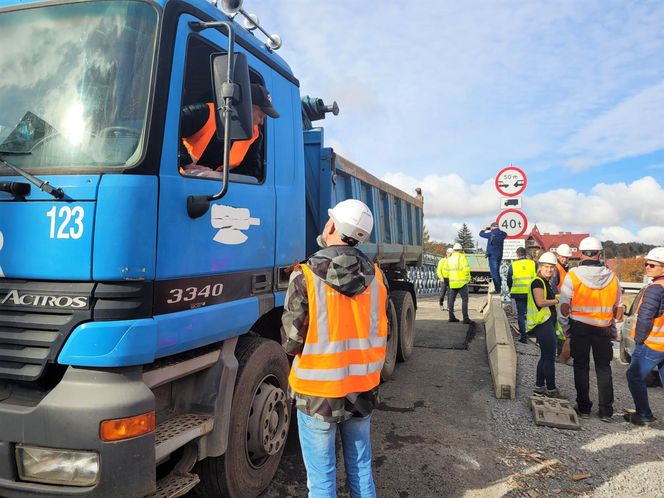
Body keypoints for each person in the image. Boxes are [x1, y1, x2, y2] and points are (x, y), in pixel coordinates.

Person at [281, 199, 387, 497]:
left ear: (331, 226)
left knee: (322, 479)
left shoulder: (305, 275)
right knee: (361, 467)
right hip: (362, 388)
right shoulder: (378, 277)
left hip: (318, 393)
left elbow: (291, 342)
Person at [559, 236, 622, 422]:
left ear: (579, 253)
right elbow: (618, 308)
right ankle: (606, 411)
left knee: (581, 367)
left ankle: (584, 407)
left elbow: (563, 307)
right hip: (603, 328)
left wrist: (566, 330)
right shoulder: (612, 277)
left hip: (579, 327)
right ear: (599, 253)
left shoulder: (573, 276)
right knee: (604, 368)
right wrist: (614, 330)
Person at [179, 83, 279, 178]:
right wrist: (186, 163)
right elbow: (168, 128)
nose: (262, 122)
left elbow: (251, 171)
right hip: (182, 180)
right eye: (261, 116)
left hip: (220, 188)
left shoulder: (255, 135)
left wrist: (224, 174)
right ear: (245, 108)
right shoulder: (204, 112)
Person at [624, 247, 664, 426]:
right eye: (646, 263)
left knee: (634, 376)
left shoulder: (656, 288)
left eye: (652, 265)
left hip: (653, 344)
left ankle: (644, 415)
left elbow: (645, 317)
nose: (647, 267)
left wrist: (639, 340)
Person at [528, 252, 565, 397]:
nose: (549, 270)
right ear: (540, 267)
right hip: (542, 324)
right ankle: (551, 388)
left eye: (551, 267)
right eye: (546, 267)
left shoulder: (545, 282)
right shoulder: (538, 282)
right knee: (549, 357)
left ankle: (539, 386)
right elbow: (540, 302)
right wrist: (558, 301)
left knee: (545, 356)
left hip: (545, 323)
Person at [507, 246, 537, 343]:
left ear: (517, 254)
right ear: (525, 254)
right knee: (532, 313)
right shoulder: (533, 264)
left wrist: (510, 288)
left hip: (518, 293)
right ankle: (534, 334)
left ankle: (523, 337)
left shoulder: (513, 265)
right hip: (531, 293)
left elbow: (509, 280)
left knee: (520, 314)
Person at [446, 243, 473, 324]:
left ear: (454, 250)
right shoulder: (462, 257)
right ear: (460, 249)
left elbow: (447, 271)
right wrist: (468, 278)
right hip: (462, 282)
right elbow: (466, 269)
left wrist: (449, 280)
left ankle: (451, 317)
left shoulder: (449, 258)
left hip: (452, 282)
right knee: (465, 300)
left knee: (451, 300)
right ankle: (465, 318)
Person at [479, 222, 507, 294]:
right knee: (497, 272)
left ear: (491, 228)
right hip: (500, 255)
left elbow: (481, 234)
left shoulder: (490, 234)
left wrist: (484, 229)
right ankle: (499, 288)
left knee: (494, 273)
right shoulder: (502, 234)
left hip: (492, 256)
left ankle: (498, 289)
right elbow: (505, 234)